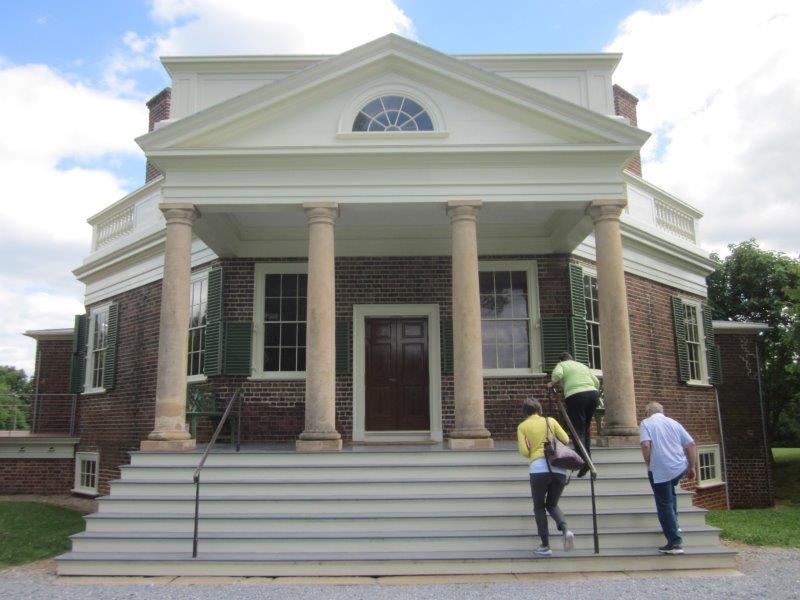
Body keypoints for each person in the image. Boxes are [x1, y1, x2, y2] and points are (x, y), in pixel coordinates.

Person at [517, 398, 575, 557]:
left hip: (538, 469)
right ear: (539, 409)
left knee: (539, 507)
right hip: (558, 468)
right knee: (552, 504)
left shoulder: (523, 426)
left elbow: (524, 451)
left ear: (525, 411)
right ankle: (565, 529)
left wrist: (533, 450)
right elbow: (565, 439)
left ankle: (545, 545)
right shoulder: (550, 420)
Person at [639, 401, 697, 555]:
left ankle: (675, 543)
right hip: (679, 467)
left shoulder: (646, 423)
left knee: (664, 504)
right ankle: (675, 524)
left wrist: (648, 463)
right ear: (662, 411)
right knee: (670, 493)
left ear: (648, 412)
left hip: (661, 470)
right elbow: (691, 444)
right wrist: (691, 467)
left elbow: (645, 445)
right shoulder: (674, 422)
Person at [547, 351, 600, 477]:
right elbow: (596, 382)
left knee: (577, 430)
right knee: (585, 430)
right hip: (593, 395)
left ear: (561, 360)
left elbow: (558, 374)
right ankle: (588, 459)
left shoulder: (562, 365)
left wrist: (552, 383)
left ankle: (583, 461)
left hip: (576, 396)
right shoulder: (582, 366)